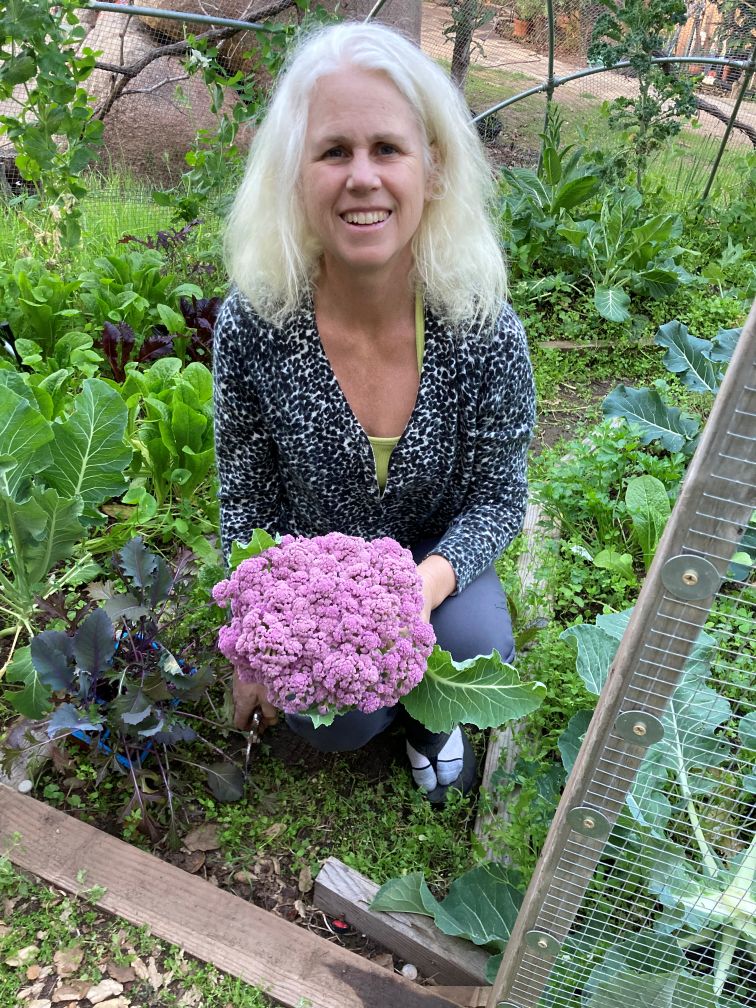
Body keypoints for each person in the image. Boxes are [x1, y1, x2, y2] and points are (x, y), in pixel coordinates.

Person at [213, 20, 535, 804]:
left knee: (476, 645)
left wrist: (415, 592)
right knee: (334, 721)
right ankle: (370, 707)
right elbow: (247, 502)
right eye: (334, 152)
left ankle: (430, 723)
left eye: (387, 149)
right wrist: (257, 642)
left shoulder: (480, 324)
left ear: (434, 168)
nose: (362, 178)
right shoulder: (256, 324)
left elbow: (499, 497)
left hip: (431, 556)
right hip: (315, 576)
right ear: (295, 175)